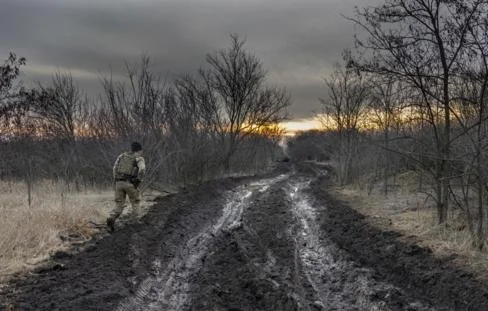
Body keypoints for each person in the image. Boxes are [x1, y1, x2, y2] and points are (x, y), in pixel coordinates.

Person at [107, 142, 146, 232]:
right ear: (139, 150)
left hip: (119, 183)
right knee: (136, 202)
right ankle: (136, 223)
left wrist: (117, 180)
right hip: (130, 183)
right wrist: (138, 180)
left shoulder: (122, 156)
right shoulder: (139, 158)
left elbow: (114, 168)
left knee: (119, 204)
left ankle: (112, 218)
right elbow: (142, 169)